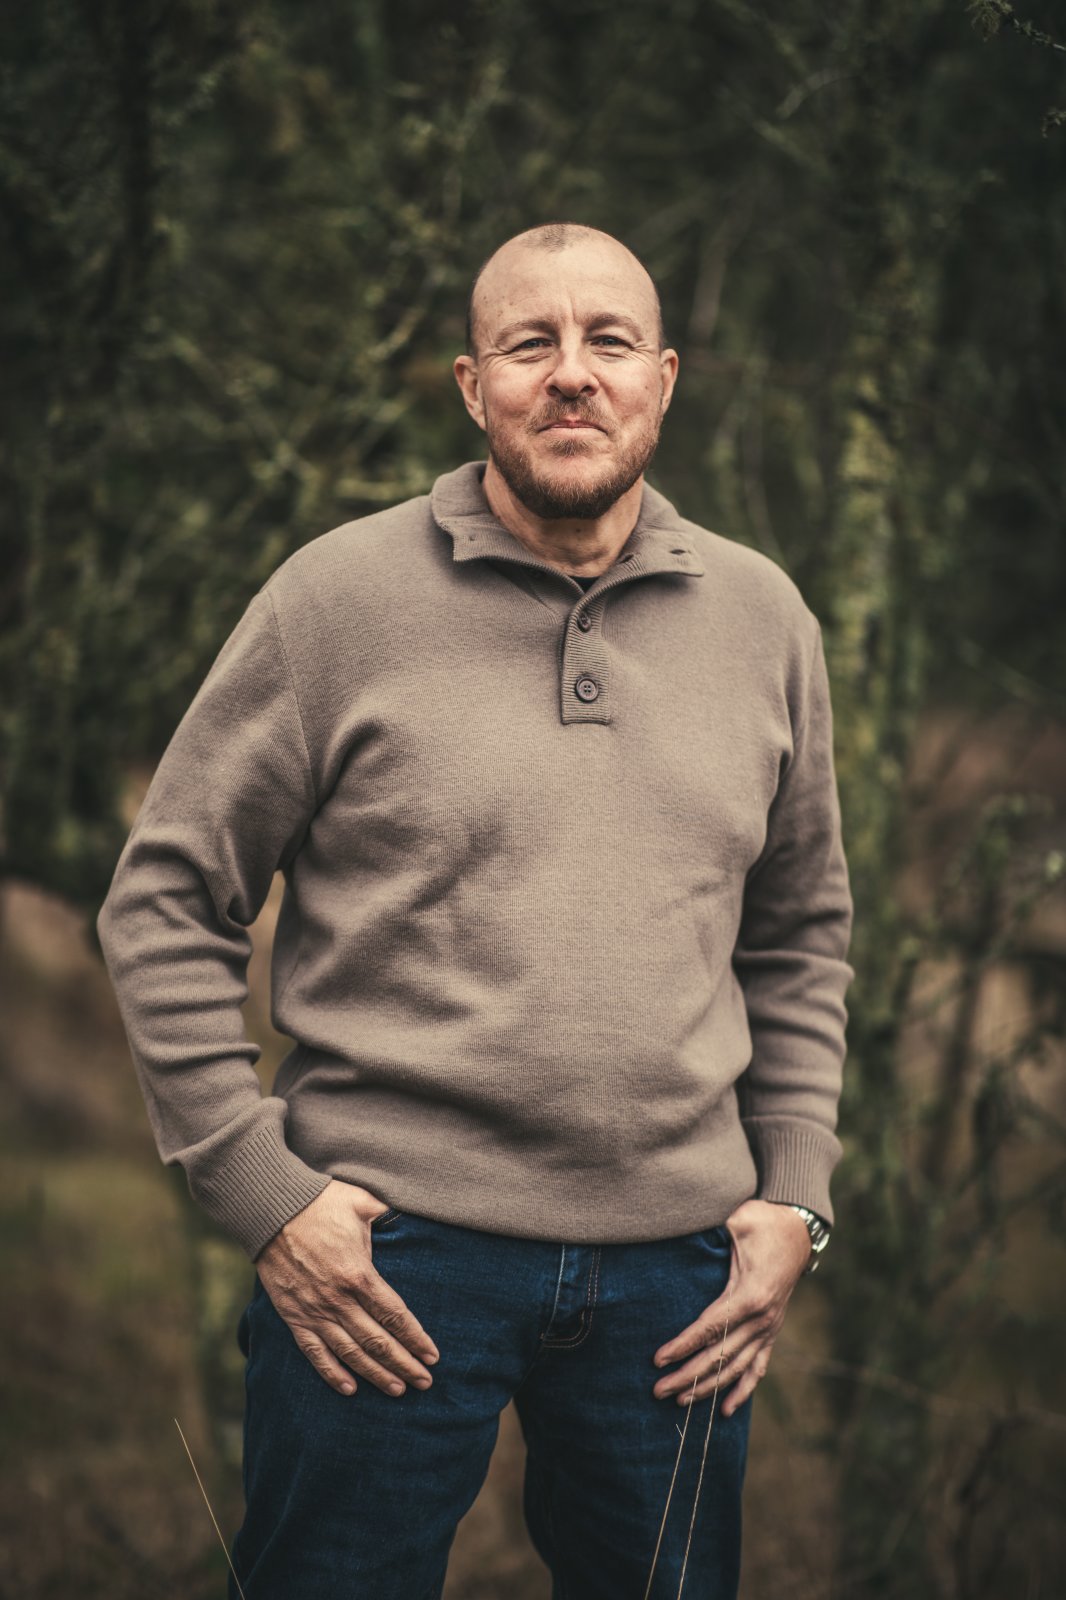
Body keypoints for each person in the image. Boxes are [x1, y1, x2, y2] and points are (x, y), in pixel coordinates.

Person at [97, 222, 854, 1600]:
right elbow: (164, 899)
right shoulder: (336, 600)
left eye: (608, 341)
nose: (571, 374)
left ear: (663, 378)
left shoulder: (765, 619)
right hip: (385, 1259)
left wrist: (793, 1197)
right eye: (528, 343)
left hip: (678, 1281)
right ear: (471, 384)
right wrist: (263, 1193)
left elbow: (798, 932)